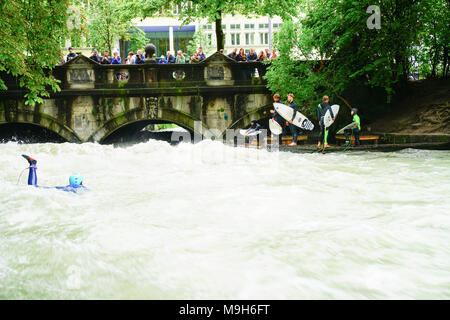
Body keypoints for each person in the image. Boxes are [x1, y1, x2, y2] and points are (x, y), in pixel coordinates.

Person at [22, 155, 87, 193]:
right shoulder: (85, 189)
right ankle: (32, 164)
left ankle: (33, 165)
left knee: (33, 187)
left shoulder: (67, 188)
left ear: (70, 182)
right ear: (81, 183)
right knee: (33, 188)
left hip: (60, 190)